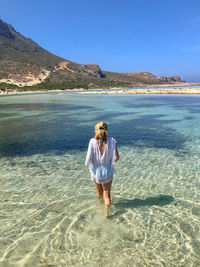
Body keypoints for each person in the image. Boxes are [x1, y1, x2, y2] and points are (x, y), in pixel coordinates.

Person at [85, 121, 119, 211]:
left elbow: (88, 159)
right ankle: (106, 212)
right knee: (107, 195)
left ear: (95, 130)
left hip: (96, 171)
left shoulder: (92, 142)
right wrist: (108, 161)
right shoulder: (112, 141)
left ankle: (100, 207)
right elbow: (116, 158)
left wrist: (93, 166)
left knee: (99, 193)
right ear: (106, 129)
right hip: (108, 171)